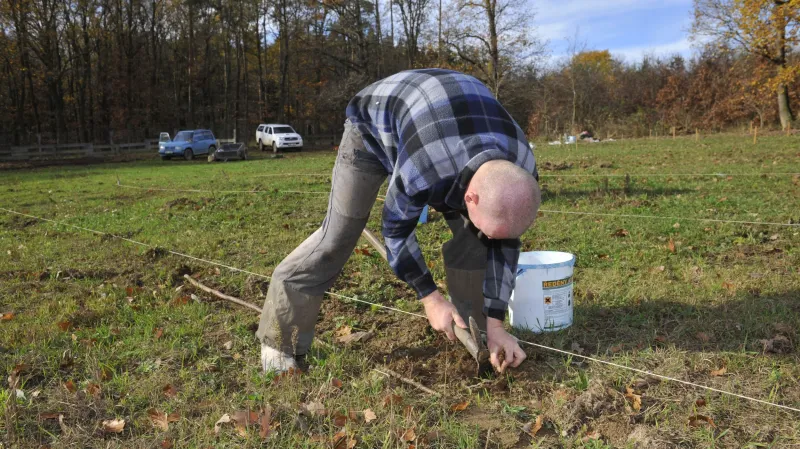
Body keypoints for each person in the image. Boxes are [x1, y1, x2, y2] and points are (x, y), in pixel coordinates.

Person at [257, 68, 541, 374]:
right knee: (337, 237)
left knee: (477, 239)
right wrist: (430, 298)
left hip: (441, 126)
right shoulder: (424, 167)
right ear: (470, 198)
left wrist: (496, 323)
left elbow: (503, 244)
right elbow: (395, 230)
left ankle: (476, 329)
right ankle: (278, 342)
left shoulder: (520, 171)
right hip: (372, 127)